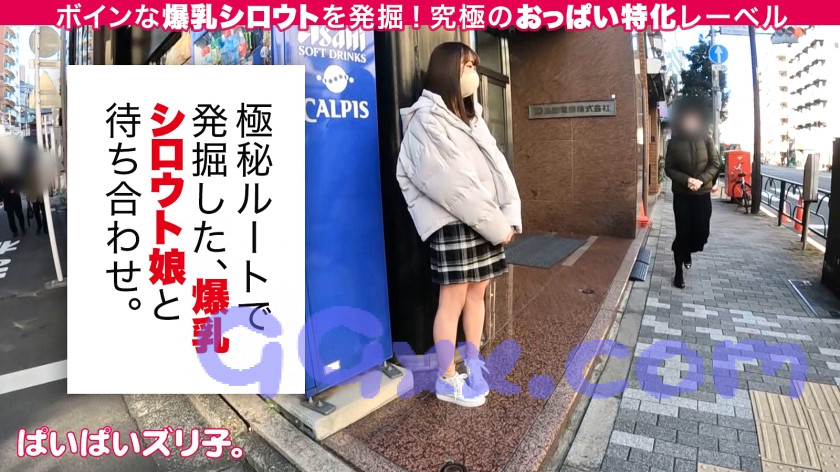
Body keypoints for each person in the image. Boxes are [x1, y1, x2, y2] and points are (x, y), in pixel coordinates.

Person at [396, 42, 522, 407]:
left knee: (476, 295)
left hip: (484, 220)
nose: (474, 74)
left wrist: (507, 215)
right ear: (448, 71)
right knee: (451, 303)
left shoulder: (471, 117)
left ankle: (473, 363)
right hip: (455, 224)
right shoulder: (426, 120)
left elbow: (498, 170)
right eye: (468, 66)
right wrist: (499, 226)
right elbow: (454, 186)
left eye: (475, 66)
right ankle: (446, 378)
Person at [664, 99, 720, 289]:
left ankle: (687, 249)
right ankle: (678, 273)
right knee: (682, 233)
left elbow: (715, 163)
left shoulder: (706, 138)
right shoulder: (674, 141)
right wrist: (686, 180)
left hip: (702, 194)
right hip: (682, 196)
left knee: (702, 234)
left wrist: (701, 180)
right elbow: (669, 168)